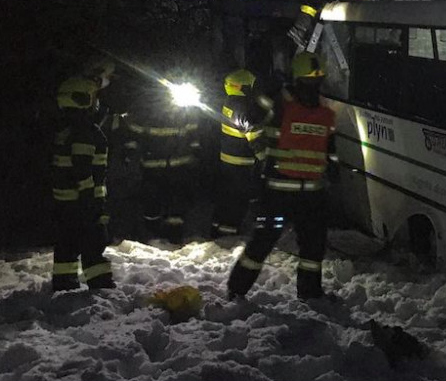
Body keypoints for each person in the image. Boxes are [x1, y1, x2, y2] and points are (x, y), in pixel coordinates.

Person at [228, 51, 336, 300]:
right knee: (306, 247)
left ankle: (239, 289)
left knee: (271, 243)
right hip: (303, 196)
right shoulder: (313, 110)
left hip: (284, 194)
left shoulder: (285, 106)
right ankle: (307, 293)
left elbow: (328, 148)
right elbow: (331, 155)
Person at [50, 76, 115, 291]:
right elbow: (81, 167)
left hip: (64, 202)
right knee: (93, 243)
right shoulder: (85, 132)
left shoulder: (65, 130)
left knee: (66, 245)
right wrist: (89, 198)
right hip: (82, 202)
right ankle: (101, 285)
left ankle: (64, 283)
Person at [123, 85, 202, 244]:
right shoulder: (148, 114)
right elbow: (133, 136)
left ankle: (170, 238)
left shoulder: (182, 113)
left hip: (172, 167)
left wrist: (196, 154)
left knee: (174, 205)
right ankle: (156, 237)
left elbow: (193, 136)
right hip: (160, 167)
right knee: (154, 205)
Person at [211, 68, 272, 238]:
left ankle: (217, 227)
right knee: (238, 200)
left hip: (228, 159)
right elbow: (252, 132)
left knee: (227, 196)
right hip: (241, 162)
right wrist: (264, 157)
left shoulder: (229, 102)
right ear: (243, 87)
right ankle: (229, 234)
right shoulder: (242, 107)